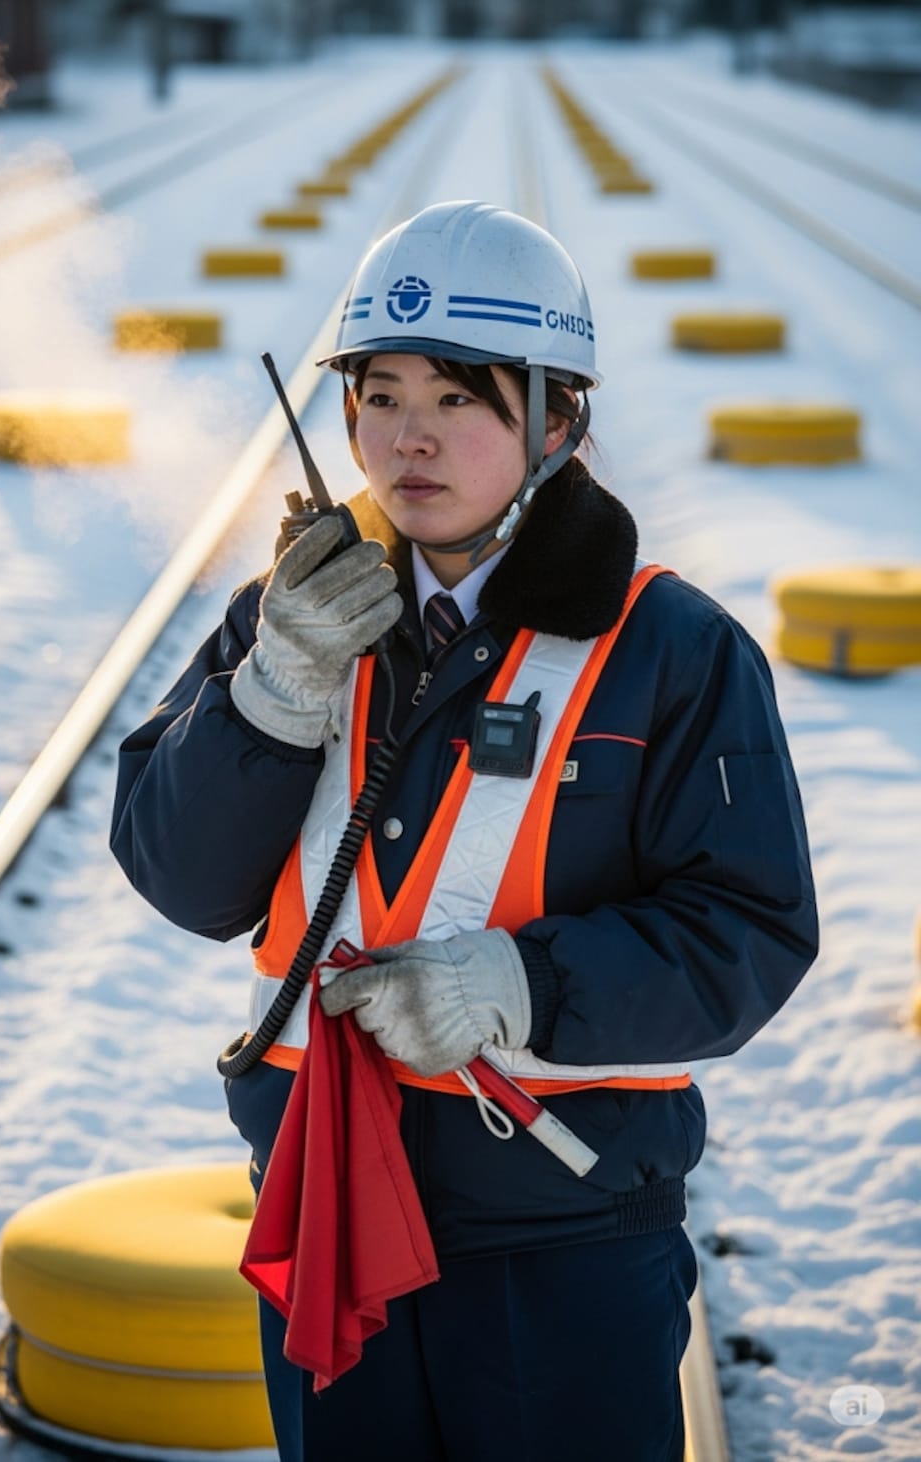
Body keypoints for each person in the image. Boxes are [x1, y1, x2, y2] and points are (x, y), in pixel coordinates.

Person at [111, 200, 818, 1461]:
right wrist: (270, 696)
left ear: (557, 419)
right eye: (378, 395)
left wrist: (523, 984)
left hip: (564, 1240)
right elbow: (180, 875)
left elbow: (750, 935)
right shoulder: (288, 617)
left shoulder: (671, 650)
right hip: (325, 1202)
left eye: (460, 398)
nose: (408, 437)